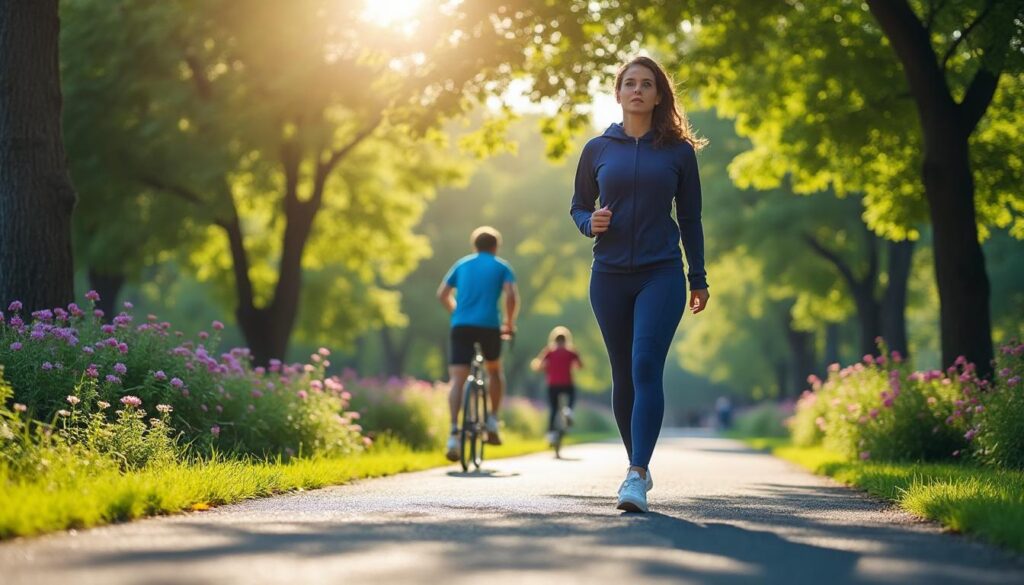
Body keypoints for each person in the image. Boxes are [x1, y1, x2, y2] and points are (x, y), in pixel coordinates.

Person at [570, 56, 710, 513]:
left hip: (661, 273)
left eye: (646, 84)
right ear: (618, 93)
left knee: (645, 363)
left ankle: (634, 475)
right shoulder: (597, 148)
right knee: (623, 373)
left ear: (658, 95)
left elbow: (690, 218)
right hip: (608, 275)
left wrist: (698, 277)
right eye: (629, 83)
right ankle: (640, 466)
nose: (637, 90)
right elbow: (577, 206)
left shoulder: (677, 152)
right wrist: (592, 223)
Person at [437, 226, 519, 462]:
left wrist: (456, 312)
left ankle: (453, 433)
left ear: (475, 245)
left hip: (461, 325)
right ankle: (492, 420)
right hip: (489, 326)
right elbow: (511, 295)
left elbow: (442, 294)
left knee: (457, 380)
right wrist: (509, 323)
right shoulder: (502, 266)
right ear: (495, 247)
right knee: (494, 371)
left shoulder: (461, 264)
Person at [531, 326, 583, 445]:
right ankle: (568, 410)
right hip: (567, 383)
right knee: (572, 395)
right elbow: (580, 365)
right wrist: (572, 366)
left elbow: (538, 365)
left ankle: (551, 434)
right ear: (567, 339)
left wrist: (545, 367)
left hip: (552, 384)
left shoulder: (549, 351)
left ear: (554, 340)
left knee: (553, 409)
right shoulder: (571, 352)